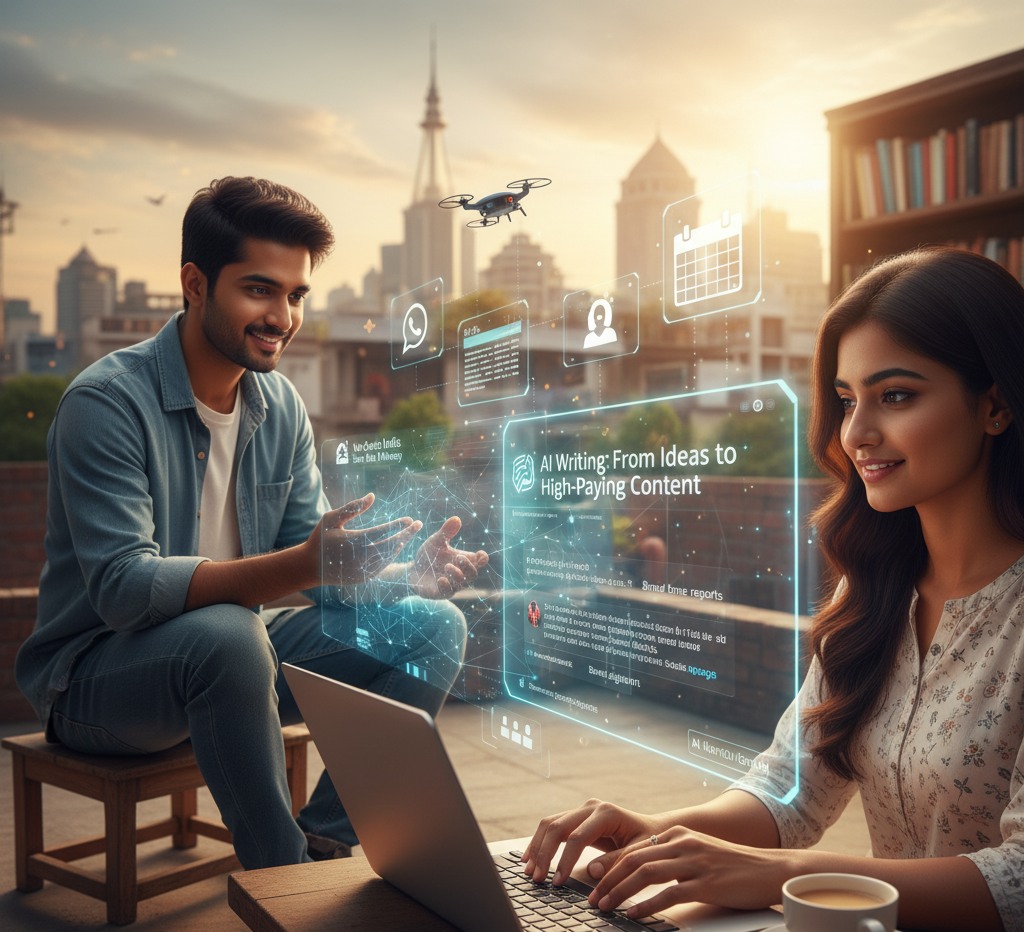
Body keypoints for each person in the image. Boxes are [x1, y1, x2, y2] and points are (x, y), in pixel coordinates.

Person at [522, 246, 1024, 932]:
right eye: (847, 401)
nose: (857, 433)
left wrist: (778, 879)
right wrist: (655, 833)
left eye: (897, 396)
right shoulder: (875, 593)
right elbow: (791, 795)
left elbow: (1018, 880)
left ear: (995, 405)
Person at [15, 176, 488, 869]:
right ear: (196, 283)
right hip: (95, 679)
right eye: (260, 289)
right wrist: (302, 564)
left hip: (235, 656)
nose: (283, 316)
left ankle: (325, 839)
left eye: (296, 295)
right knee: (233, 635)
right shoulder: (107, 403)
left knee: (436, 627)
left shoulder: (280, 407)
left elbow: (322, 578)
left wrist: (400, 581)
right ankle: (283, 877)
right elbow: (121, 590)